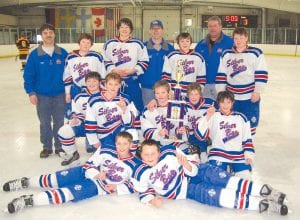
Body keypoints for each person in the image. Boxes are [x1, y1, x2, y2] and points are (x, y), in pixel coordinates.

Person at [131, 139, 288, 216]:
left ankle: (265, 191)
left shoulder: (169, 152)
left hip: (198, 171)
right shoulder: (140, 172)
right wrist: (151, 199)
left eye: (153, 153)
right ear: (141, 155)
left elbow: (192, 167)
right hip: (187, 190)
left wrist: (186, 165)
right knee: (217, 196)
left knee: (226, 180)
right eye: (146, 154)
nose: (150, 157)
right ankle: (261, 204)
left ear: (159, 152)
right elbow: (142, 191)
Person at [2, 131, 141, 214]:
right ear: (115, 143)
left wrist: (118, 187)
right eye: (119, 143)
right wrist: (95, 173)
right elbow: (90, 163)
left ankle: (27, 200)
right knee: (53, 179)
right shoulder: (107, 150)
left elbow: (137, 184)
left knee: (67, 193)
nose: (121, 147)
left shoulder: (135, 165)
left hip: (99, 186)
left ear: (131, 145)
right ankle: (25, 182)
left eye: (125, 144)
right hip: (85, 172)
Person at [23, 23, 68, 158]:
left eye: (50, 32)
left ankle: (59, 147)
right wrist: (31, 92)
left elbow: (70, 74)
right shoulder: (34, 55)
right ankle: (47, 147)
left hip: (60, 95)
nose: (48, 35)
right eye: (45, 33)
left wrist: (68, 92)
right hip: (42, 96)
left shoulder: (63, 53)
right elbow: (28, 75)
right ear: (41, 36)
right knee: (44, 122)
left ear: (54, 34)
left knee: (60, 122)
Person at [215, 27, 268, 136]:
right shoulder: (226, 53)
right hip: (231, 97)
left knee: (250, 123)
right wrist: (221, 92)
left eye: (241, 38)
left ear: (246, 38)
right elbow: (221, 74)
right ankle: (234, 145)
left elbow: (261, 73)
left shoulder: (256, 53)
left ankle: (248, 146)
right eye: (236, 38)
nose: (238, 41)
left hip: (249, 96)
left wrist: (257, 91)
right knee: (231, 123)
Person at [195, 91, 254, 180]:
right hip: (218, 154)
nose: (225, 105)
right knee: (215, 179)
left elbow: (247, 139)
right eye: (223, 102)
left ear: (232, 103)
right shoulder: (213, 115)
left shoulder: (241, 118)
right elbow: (200, 135)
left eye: (228, 102)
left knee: (245, 179)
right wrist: (208, 116)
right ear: (218, 103)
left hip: (238, 155)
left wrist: (248, 156)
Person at [103, 18, 149, 113]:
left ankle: (136, 126)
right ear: (118, 29)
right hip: (114, 82)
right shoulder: (109, 43)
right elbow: (105, 60)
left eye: (127, 27)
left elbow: (144, 61)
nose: (124, 29)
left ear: (131, 29)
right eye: (122, 27)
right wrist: (113, 70)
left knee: (136, 105)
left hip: (132, 80)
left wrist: (133, 70)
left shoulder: (138, 43)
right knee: (115, 106)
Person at [85, 72, 139, 152]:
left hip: (120, 131)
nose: (113, 87)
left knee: (133, 133)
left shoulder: (126, 98)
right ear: (105, 84)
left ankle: (128, 159)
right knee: (107, 159)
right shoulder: (94, 99)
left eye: (116, 84)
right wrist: (94, 141)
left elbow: (129, 124)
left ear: (120, 85)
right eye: (110, 84)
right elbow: (90, 122)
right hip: (103, 135)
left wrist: (124, 110)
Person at [58, 72, 101, 166]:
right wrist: (76, 119)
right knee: (64, 131)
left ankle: (98, 153)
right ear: (85, 83)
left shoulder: (106, 95)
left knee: (98, 159)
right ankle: (73, 155)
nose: (92, 84)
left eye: (94, 81)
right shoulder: (79, 96)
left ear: (99, 82)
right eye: (89, 81)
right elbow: (76, 112)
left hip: (101, 129)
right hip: (85, 126)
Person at [141, 80, 191, 157]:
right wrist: (158, 133)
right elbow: (145, 129)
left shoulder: (178, 107)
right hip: (158, 143)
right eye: (157, 93)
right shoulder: (148, 109)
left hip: (177, 142)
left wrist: (181, 130)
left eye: (163, 92)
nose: (160, 95)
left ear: (168, 93)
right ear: (154, 94)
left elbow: (186, 124)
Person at [63, 33, 106, 119]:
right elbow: (67, 75)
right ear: (79, 43)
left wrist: (103, 89)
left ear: (91, 45)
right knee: (74, 114)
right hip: (76, 89)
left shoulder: (97, 56)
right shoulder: (70, 57)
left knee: (94, 113)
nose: (85, 44)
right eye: (83, 42)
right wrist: (67, 93)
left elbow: (103, 74)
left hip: (94, 89)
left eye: (88, 43)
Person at [194, 16, 233, 101]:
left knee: (221, 111)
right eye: (210, 26)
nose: (212, 28)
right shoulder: (201, 44)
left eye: (215, 26)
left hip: (223, 85)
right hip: (204, 85)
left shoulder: (230, 43)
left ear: (220, 26)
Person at [139, 19, 175, 106]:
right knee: (149, 113)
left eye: (158, 28)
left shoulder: (170, 49)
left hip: (164, 90)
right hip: (148, 88)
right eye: (153, 29)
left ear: (162, 30)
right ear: (150, 31)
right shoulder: (142, 47)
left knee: (163, 115)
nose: (156, 31)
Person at [162, 32, 206, 98]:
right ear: (178, 43)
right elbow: (166, 75)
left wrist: (198, 92)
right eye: (182, 41)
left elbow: (201, 78)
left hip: (192, 94)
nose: (185, 43)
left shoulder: (198, 57)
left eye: (187, 41)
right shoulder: (171, 56)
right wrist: (168, 90)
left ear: (191, 43)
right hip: (174, 92)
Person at [185, 83, 216, 163]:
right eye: (191, 94)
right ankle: (198, 153)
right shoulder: (183, 103)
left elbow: (223, 106)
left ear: (200, 95)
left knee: (202, 133)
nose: (194, 97)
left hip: (203, 135)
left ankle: (203, 152)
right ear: (187, 95)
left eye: (196, 94)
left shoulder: (209, 103)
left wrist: (214, 110)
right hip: (190, 134)